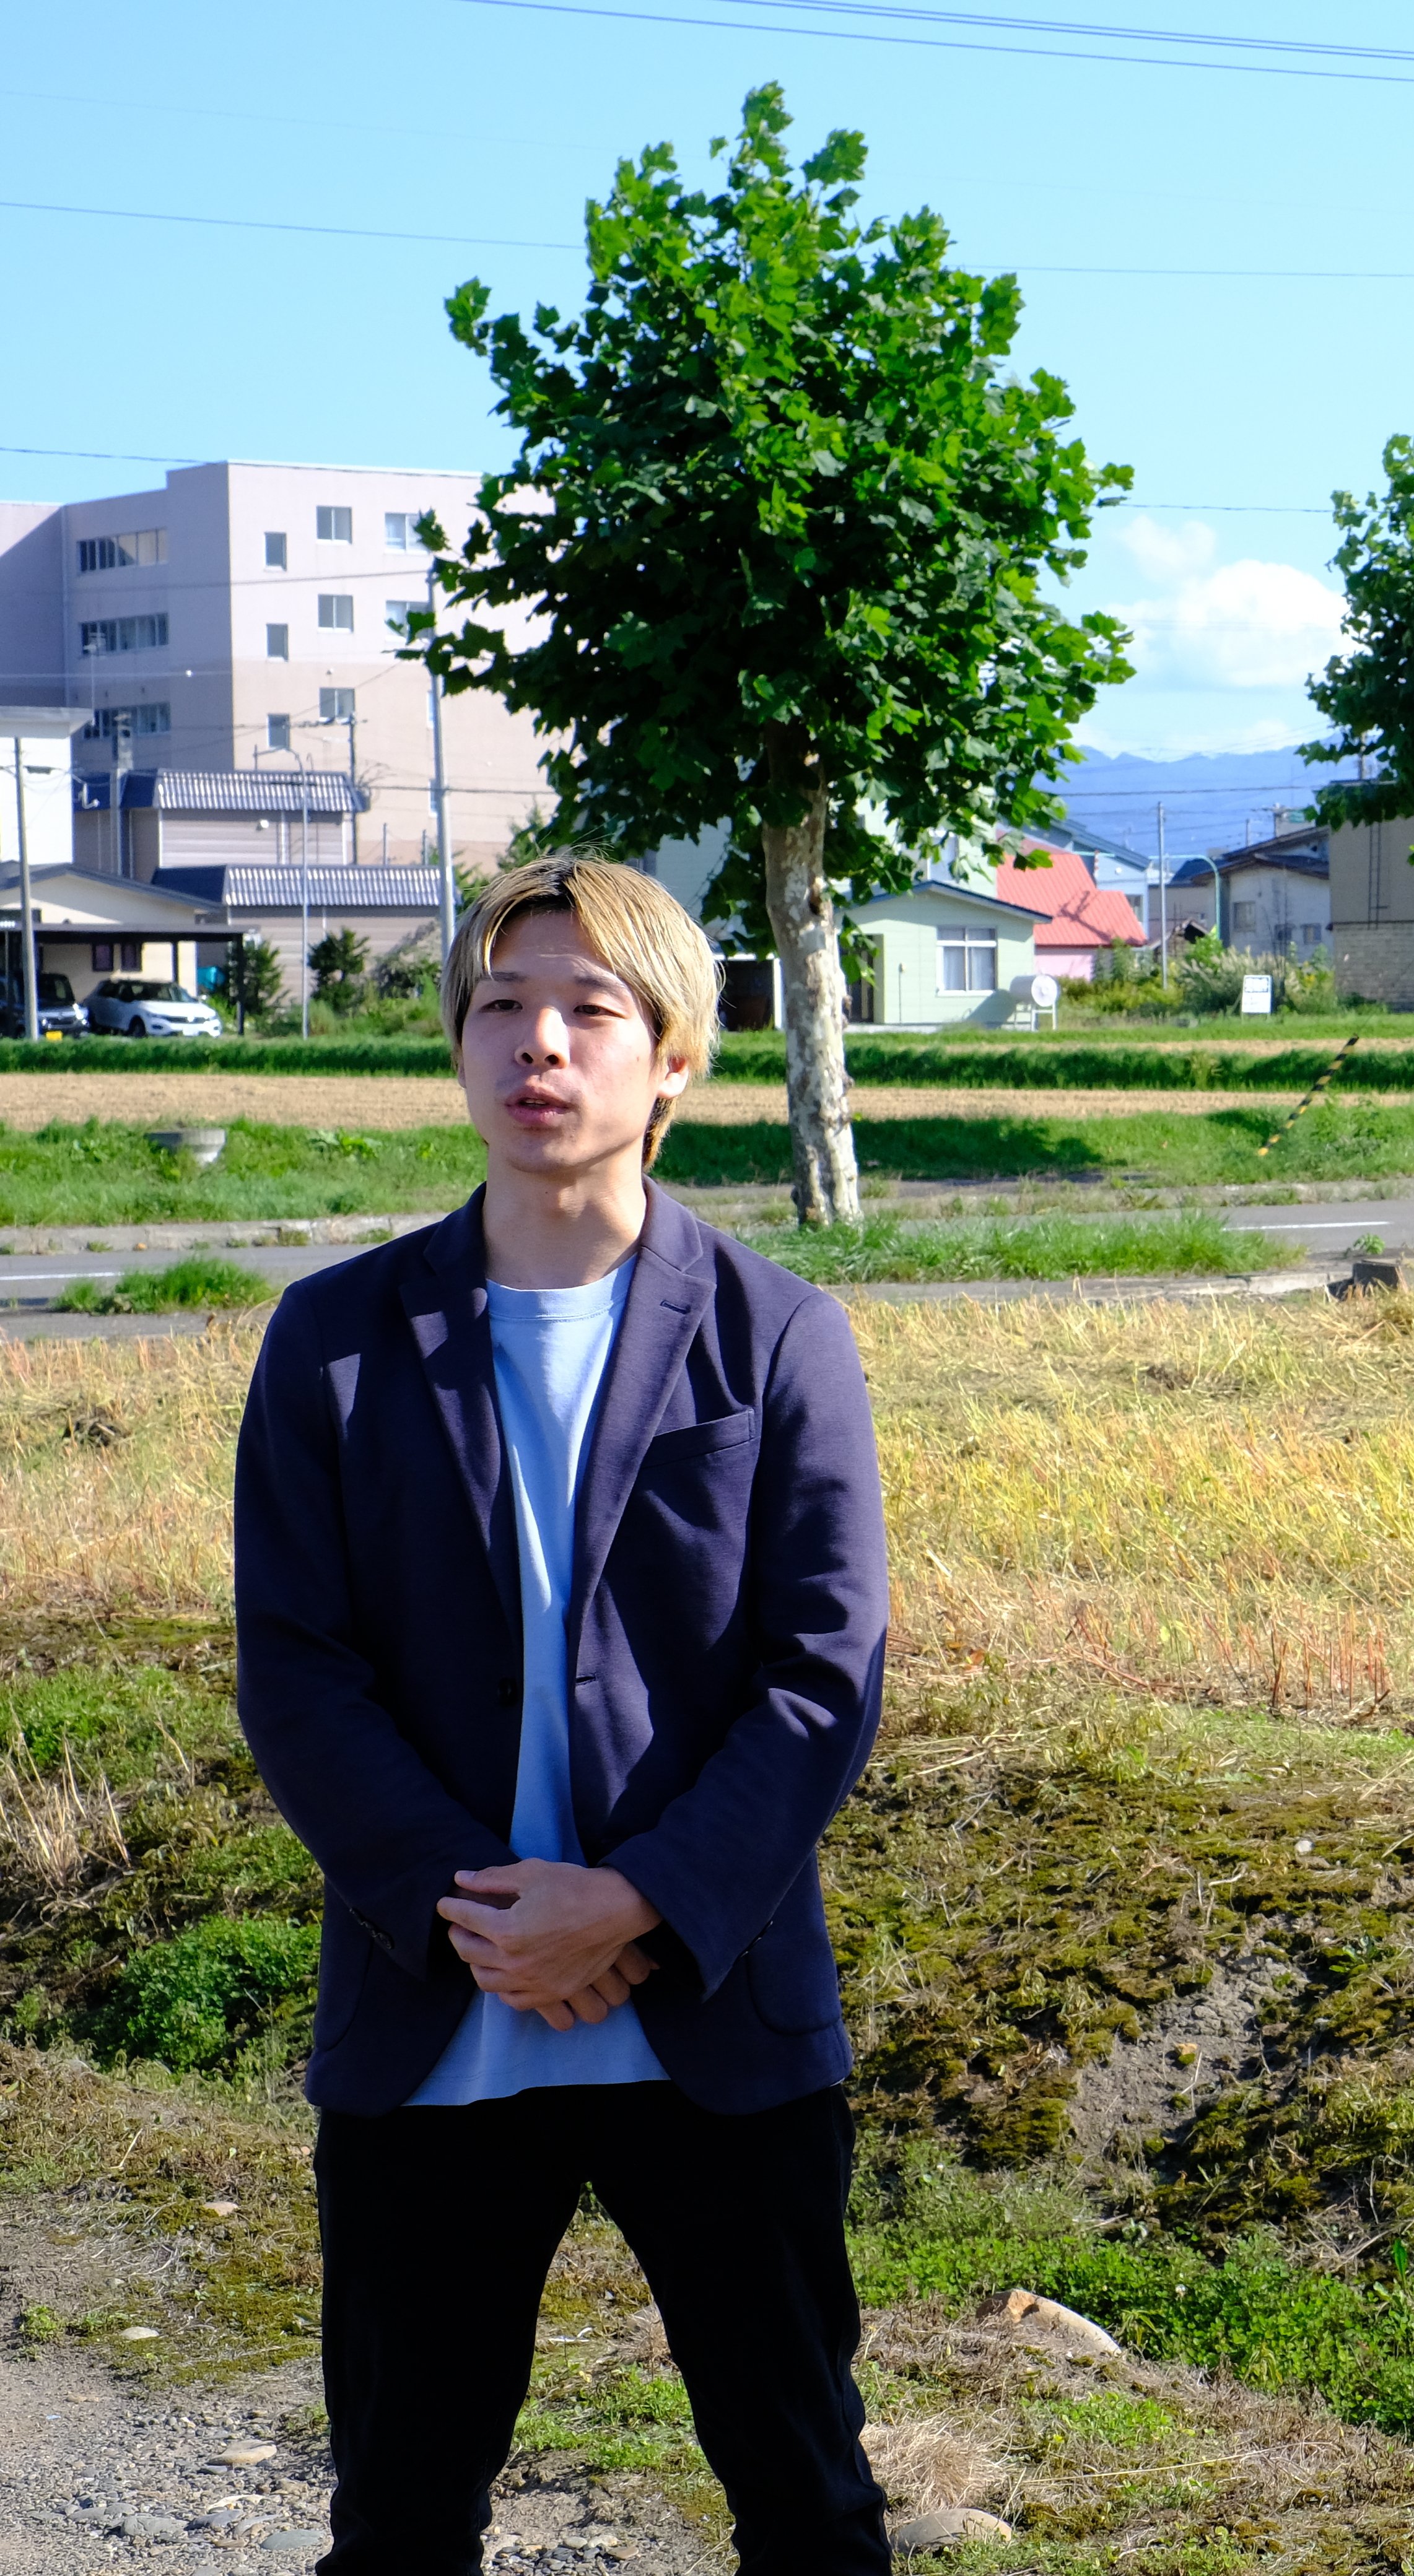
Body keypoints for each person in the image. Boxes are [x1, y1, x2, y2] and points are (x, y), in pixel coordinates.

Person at [235, 857, 894, 2576]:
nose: (539, 1044)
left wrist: (641, 1901)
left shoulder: (777, 1335)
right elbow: (296, 1669)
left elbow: (825, 1671)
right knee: (399, 2518)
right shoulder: (333, 1342)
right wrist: (476, 1909)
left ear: (675, 1057)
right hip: (435, 2008)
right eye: (502, 1007)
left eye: (591, 1009)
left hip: (713, 2018)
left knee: (808, 2505)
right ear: (459, 1047)